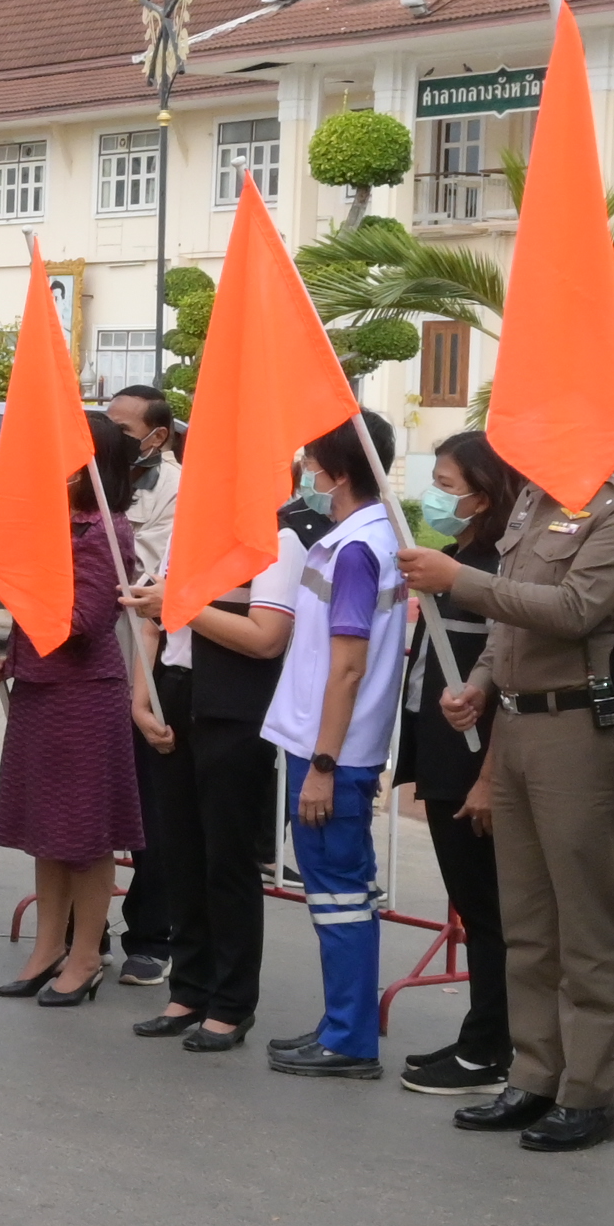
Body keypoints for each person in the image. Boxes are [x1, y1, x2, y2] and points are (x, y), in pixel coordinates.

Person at [395, 395, 614, 1153]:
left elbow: (576, 609)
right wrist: (479, 684)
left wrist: (458, 578)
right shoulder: (538, 501)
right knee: (527, 921)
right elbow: (508, 624)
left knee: (585, 924)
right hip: (514, 722)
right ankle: (534, 1075)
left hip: (580, 725)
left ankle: (587, 1092)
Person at [262, 412, 409, 1080]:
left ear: (340, 473)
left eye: (313, 467)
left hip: (332, 754)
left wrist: (322, 765)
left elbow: (348, 666)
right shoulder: (367, 536)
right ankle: (341, 1027)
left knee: (341, 899)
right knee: (339, 897)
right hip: (335, 748)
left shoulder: (355, 548)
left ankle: (349, 1039)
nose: (307, 478)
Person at [0, 413, 150, 1006]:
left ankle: (86, 955)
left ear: (88, 467)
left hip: (84, 693)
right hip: (41, 688)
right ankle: (47, 946)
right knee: (46, 830)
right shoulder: (52, 525)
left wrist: (14, 587)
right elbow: (39, 616)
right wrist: (9, 658)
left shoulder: (105, 529)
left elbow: (82, 620)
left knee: (85, 833)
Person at [133, 480, 296, 1053]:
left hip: (233, 707)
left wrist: (181, 605)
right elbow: (152, 621)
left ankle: (231, 1002)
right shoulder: (188, 534)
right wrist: (141, 699)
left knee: (227, 858)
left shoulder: (277, 541)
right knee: (178, 851)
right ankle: (189, 988)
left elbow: (266, 638)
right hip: (175, 693)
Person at [393, 431, 516, 1095]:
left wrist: (489, 776)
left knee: (490, 911)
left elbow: (507, 668)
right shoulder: (455, 557)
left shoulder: (498, 568)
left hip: (475, 755)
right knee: (473, 906)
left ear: (486, 493)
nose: (434, 497)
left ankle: (491, 1050)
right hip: (440, 748)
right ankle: (482, 1034)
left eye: (446, 486)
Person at [102, 386, 183, 986]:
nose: (114, 439)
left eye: (125, 431)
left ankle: (152, 935)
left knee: (151, 802)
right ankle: (80, 931)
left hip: (142, 650)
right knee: (90, 797)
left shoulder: (176, 489)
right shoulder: (93, 482)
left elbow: (145, 576)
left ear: (158, 437)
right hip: (89, 658)